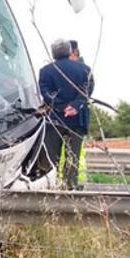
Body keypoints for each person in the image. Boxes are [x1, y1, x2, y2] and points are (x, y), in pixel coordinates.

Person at [39, 39, 94, 189]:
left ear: (53, 53)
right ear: (70, 51)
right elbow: (86, 91)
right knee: (73, 157)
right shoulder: (85, 70)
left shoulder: (46, 71)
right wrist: (75, 106)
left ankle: (50, 187)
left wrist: (60, 107)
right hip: (77, 120)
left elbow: (45, 93)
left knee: (51, 157)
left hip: (55, 119)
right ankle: (69, 188)